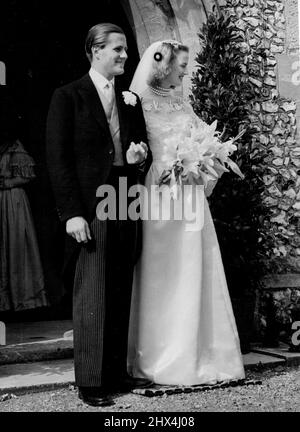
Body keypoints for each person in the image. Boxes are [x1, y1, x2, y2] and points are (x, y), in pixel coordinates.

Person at [127, 40, 245, 386]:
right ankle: (161, 357)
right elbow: (137, 150)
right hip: (160, 193)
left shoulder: (182, 101)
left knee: (195, 265)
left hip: (190, 193)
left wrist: (207, 158)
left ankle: (202, 354)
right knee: (162, 270)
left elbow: (200, 138)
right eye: (180, 66)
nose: (184, 71)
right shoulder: (139, 103)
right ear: (162, 65)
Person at [46, 23, 152, 407]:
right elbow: (58, 163)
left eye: (126, 50)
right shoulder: (68, 96)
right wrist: (72, 214)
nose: (125, 56)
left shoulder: (131, 100)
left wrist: (140, 158)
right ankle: (90, 381)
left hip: (124, 197)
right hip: (90, 207)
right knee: (91, 288)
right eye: (118, 50)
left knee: (121, 282)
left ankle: (115, 373)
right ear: (95, 50)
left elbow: (141, 149)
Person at [0, 85, 48, 312]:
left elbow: (28, 175)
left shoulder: (14, 146)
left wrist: (7, 183)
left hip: (12, 201)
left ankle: (23, 298)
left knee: (16, 246)